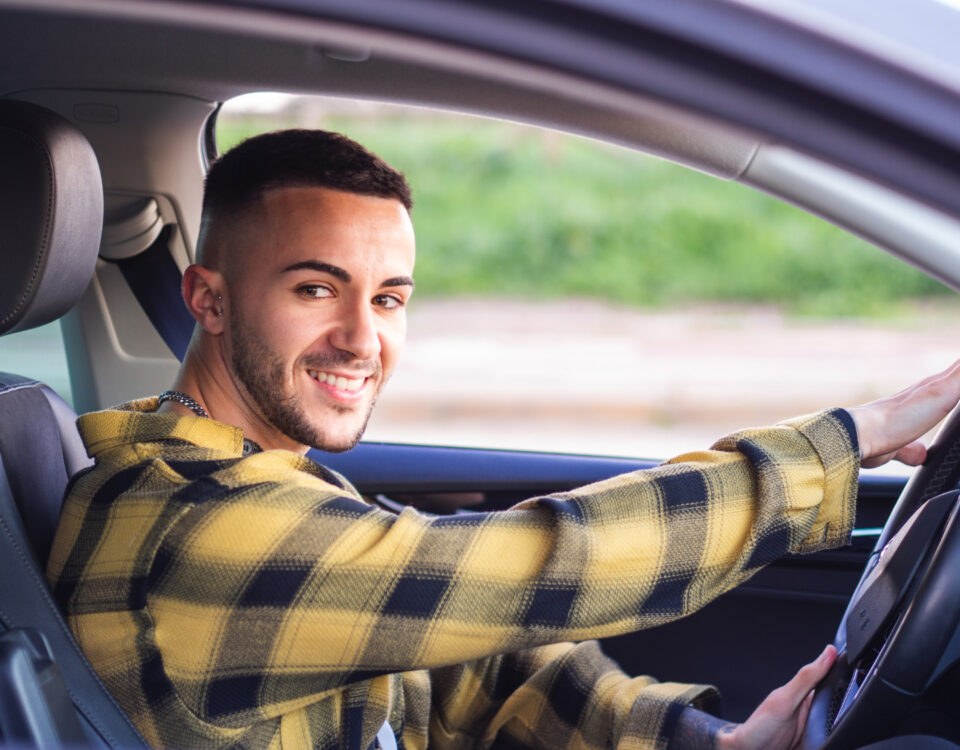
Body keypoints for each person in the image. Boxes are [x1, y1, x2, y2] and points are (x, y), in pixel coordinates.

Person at [47, 129, 959, 750]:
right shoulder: (197, 530)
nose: (363, 340)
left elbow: (463, 667)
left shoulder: (253, 485)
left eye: (389, 298)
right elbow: (545, 567)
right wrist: (851, 440)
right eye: (316, 290)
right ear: (206, 299)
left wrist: (700, 741)